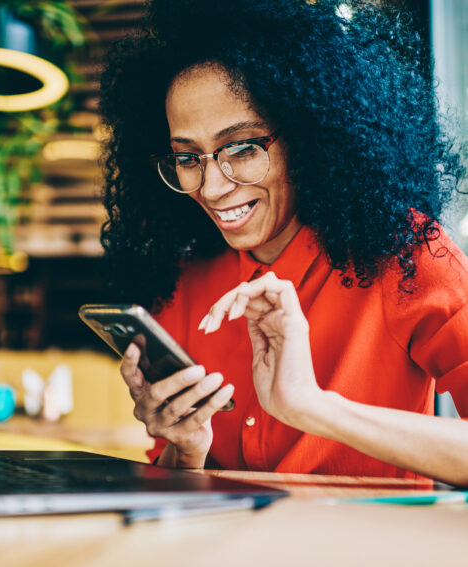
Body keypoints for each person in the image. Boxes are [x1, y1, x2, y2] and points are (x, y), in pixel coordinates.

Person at [99, 0, 468, 484]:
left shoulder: (403, 253)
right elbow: (170, 483)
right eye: (188, 158)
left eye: (243, 148)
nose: (211, 188)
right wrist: (185, 451)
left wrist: (314, 408)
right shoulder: (183, 285)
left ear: (313, 135)